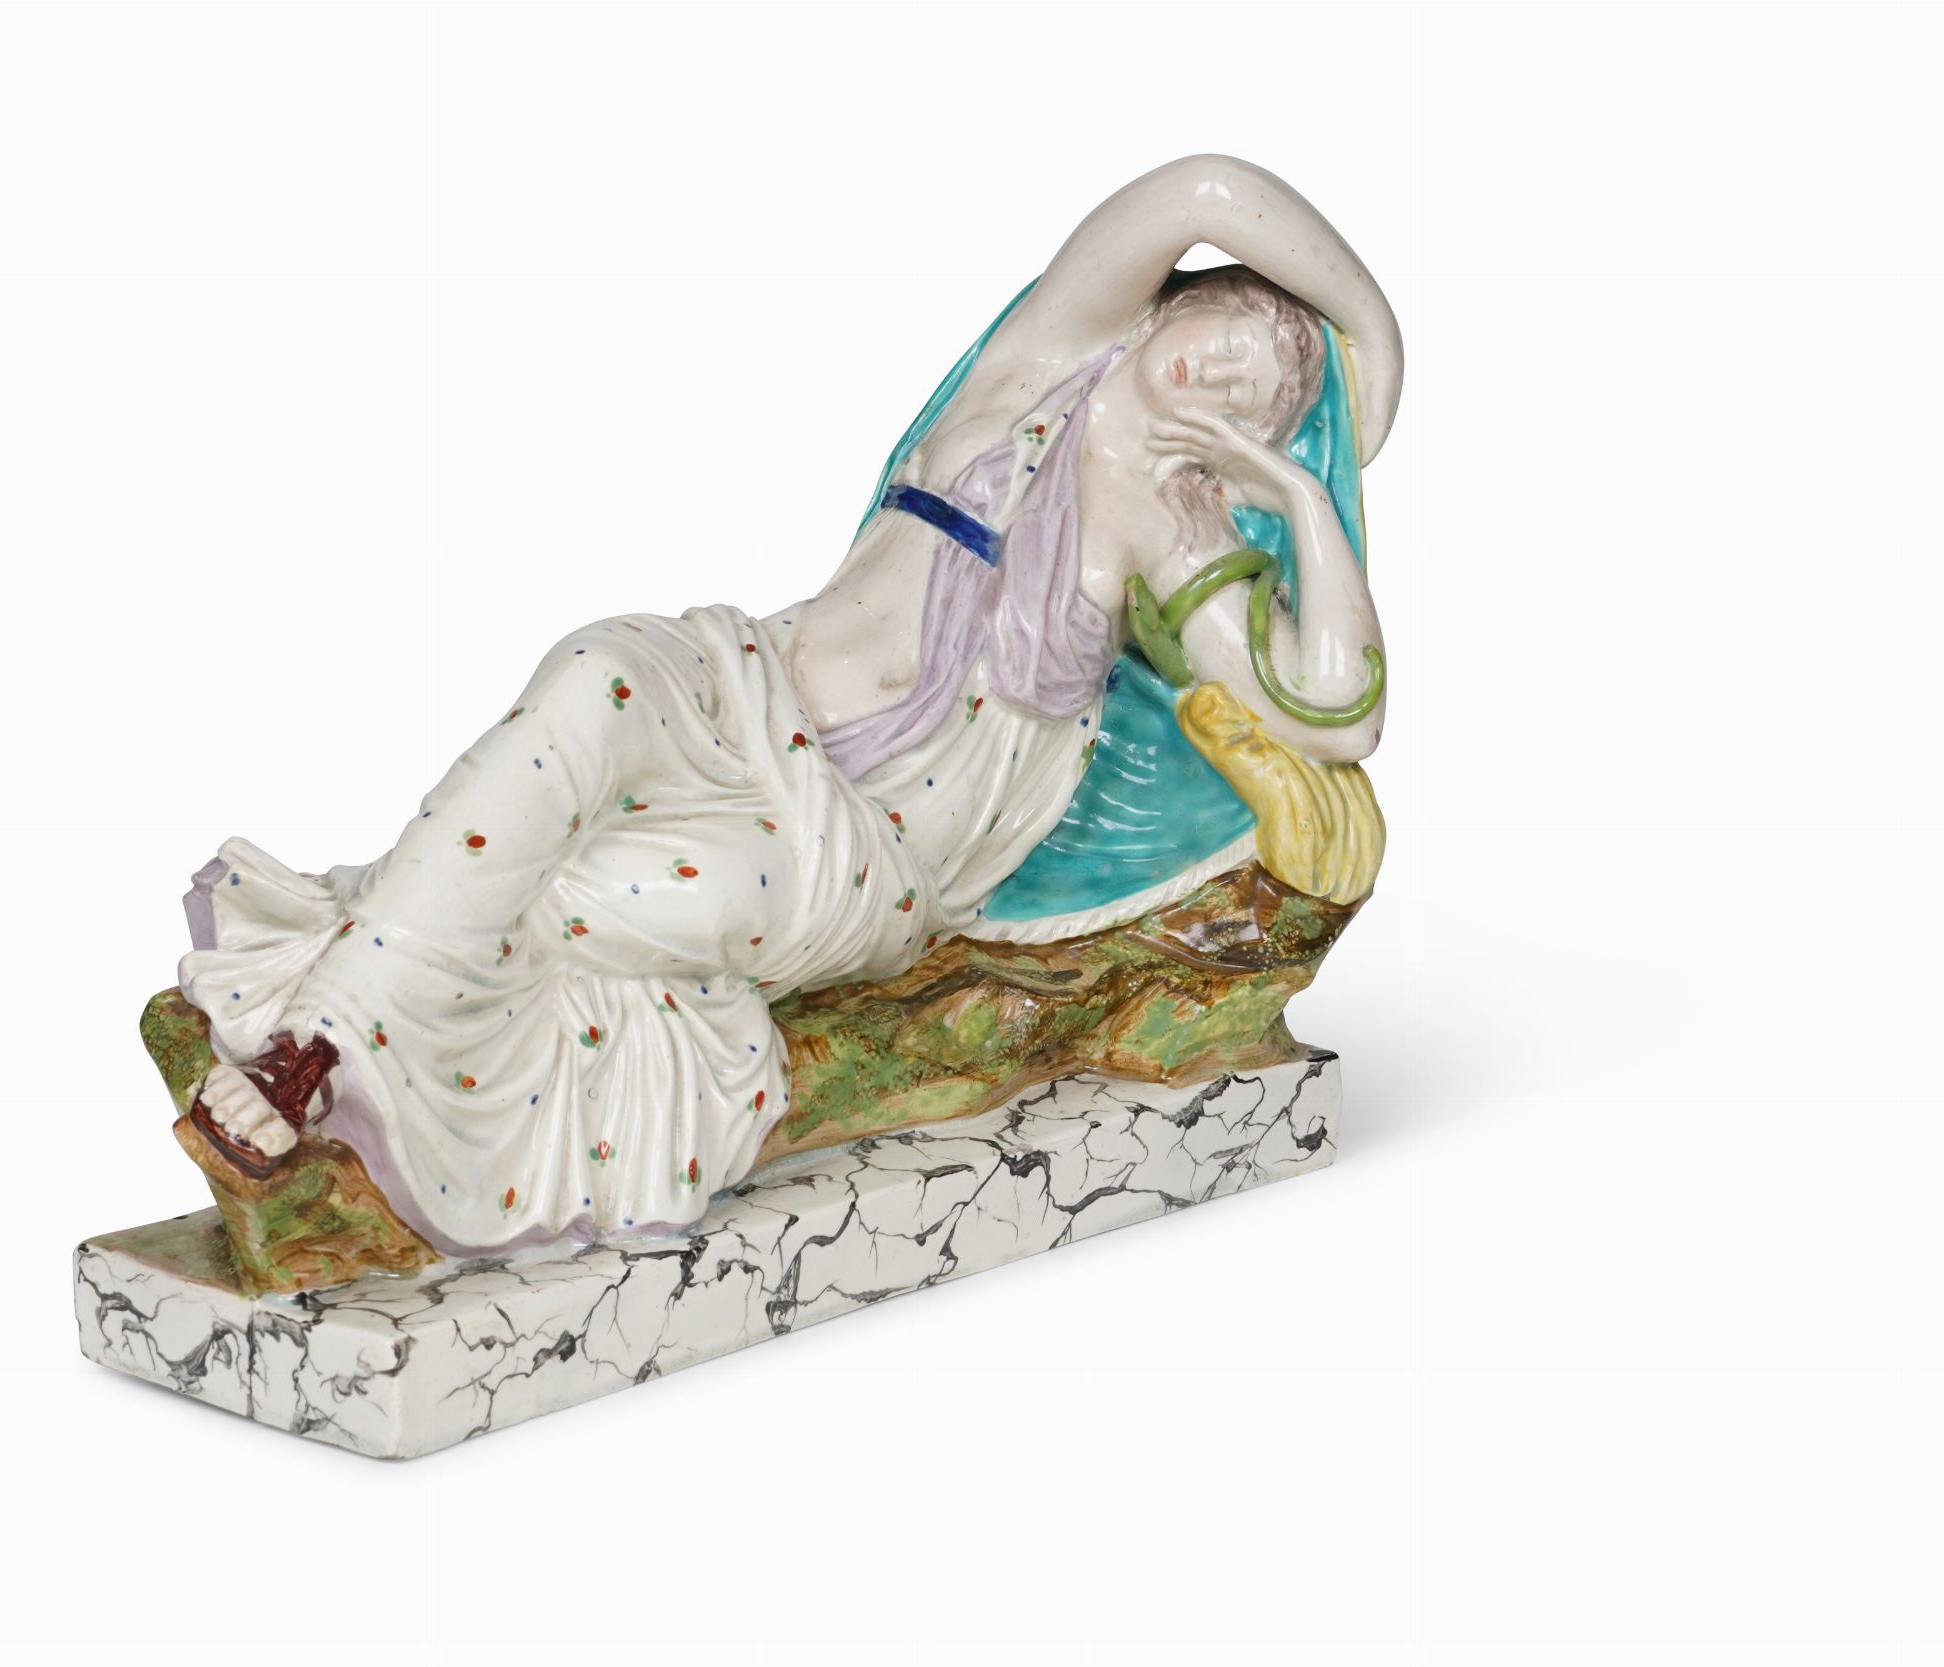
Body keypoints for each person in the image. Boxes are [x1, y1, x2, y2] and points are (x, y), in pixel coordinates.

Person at [180, 156, 1400, 1255]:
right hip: (742, 684)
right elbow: (1199, 190)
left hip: (859, 839)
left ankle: (365, 1024)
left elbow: (1337, 714)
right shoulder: (1037, 361)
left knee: (600, 894)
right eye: (1234, 329)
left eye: (1256, 391)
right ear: (1169, 305)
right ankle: (318, 1038)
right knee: (594, 669)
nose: (1224, 372)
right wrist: (1372, 331)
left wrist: (1302, 497)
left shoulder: (1174, 535)